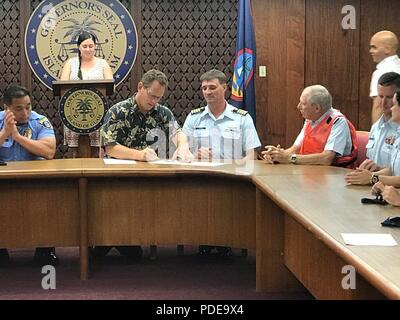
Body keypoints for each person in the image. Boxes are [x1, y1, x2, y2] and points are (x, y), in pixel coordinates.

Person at [97, 69, 193, 261]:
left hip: (147, 175)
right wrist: (140, 155)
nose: (154, 102)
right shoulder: (118, 111)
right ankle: (107, 240)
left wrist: (183, 146)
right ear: (140, 87)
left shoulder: (161, 112)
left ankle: (132, 237)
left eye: (158, 98)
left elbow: (177, 132)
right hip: (117, 176)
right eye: (152, 96)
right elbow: (110, 147)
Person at [183, 69, 261, 257]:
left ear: (224, 88)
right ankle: (204, 238)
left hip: (232, 179)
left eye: (212, 87)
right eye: (204, 88)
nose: (208, 92)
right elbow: (180, 152)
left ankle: (226, 238)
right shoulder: (194, 117)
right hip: (200, 179)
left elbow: (252, 157)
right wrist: (193, 155)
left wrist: (231, 166)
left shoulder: (242, 118)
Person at [0, 85, 57, 266]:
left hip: (35, 182)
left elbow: (49, 151)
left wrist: (17, 136)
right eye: (18, 108)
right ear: (6, 108)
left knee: (48, 202)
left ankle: (45, 250)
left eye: (28, 106)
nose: (25, 112)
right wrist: (4, 134)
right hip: (4, 183)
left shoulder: (40, 121)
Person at [261, 85, 357, 166]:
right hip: (310, 173)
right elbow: (294, 150)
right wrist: (276, 155)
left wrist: (290, 158)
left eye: (302, 104)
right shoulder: (310, 120)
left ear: (316, 108)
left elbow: (327, 158)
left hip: (334, 177)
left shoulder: (338, 122)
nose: (298, 107)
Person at [60, 31, 114, 158]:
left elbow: (111, 85)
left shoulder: (103, 64)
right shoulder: (70, 63)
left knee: (96, 149)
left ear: (95, 46)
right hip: (73, 112)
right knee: (73, 151)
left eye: (91, 46)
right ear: (79, 47)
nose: (88, 49)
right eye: (85, 46)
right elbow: (62, 85)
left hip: (97, 111)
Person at [345, 72, 400, 185]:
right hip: (376, 186)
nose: (383, 103)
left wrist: (374, 176)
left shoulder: (397, 130)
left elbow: (395, 172)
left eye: (389, 98)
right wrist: (367, 172)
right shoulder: (376, 127)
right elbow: (390, 168)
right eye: (380, 96)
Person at [369, 31, 400, 125]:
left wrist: (375, 135)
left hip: (389, 130)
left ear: (387, 49)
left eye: (374, 47)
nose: (371, 51)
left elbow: (379, 106)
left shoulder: (383, 71)